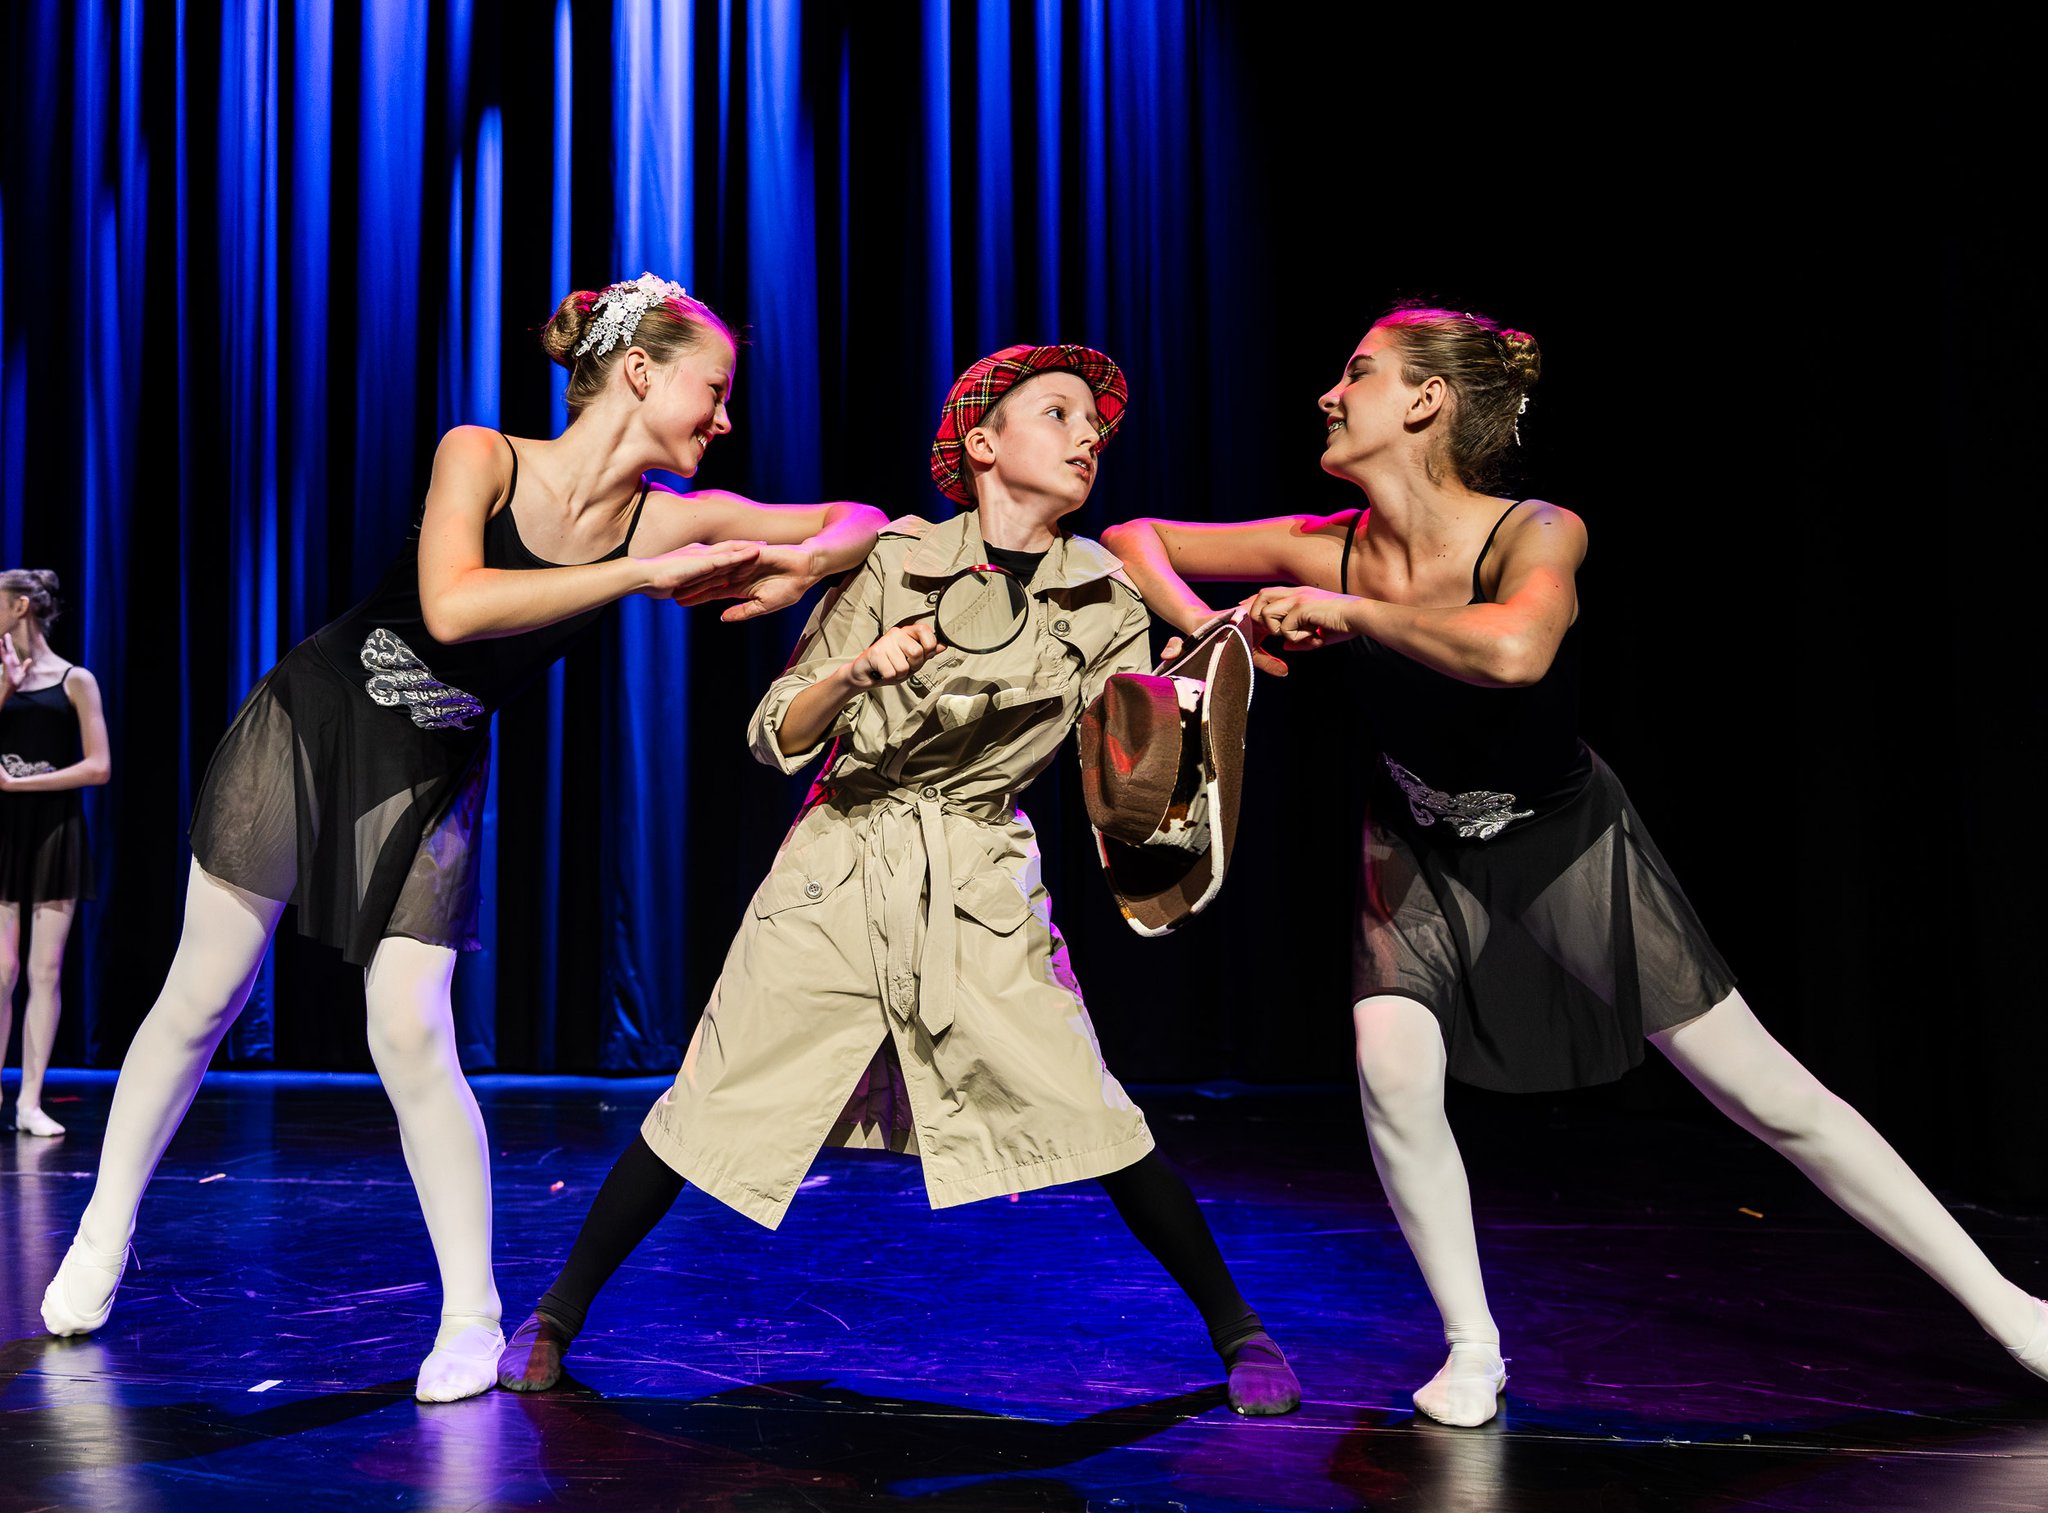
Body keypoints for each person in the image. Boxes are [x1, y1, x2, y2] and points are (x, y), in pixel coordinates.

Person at [1102, 302, 2048, 1426]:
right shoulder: (1326, 541)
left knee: (1763, 1092)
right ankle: (1472, 1347)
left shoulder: (1534, 530)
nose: (1328, 393)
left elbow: (1513, 649)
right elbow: (1134, 535)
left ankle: (2009, 1308)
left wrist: (1347, 614)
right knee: (1391, 1070)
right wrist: (1218, 635)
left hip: (1559, 839)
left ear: (1425, 400)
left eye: (1357, 373)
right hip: (1415, 839)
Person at [38, 275, 889, 1404]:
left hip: (436, 765)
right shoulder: (481, 454)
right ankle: (102, 1230)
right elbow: (452, 606)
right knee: (204, 993)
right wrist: (642, 576)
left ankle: (470, 1315)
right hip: (317, 722)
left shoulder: (670, 515)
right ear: (641, 373)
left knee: (410, 1027)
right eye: (714, 389)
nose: (725, 418)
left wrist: (800, 565)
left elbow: (867, 519)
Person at [495, 344, 1301, 1416]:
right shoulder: (891, 559)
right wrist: (851, 672)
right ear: (982, 445)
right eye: (1058, 413)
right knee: (709, 1098)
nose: (1087, 436)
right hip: (837, 867)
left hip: (978, 881)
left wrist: (1186, 706)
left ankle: (1239, 1329)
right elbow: (773, 731)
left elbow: (1126, 781)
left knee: (1090, 1107)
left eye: (1095, 427)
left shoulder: (1107, 600)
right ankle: (554, 1313)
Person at [0, 570, 111, 1137]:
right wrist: (6, 686)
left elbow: (99, 766)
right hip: (3, 830)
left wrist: (20, 783)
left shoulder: (75, 679)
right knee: (2, 968)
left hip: (53, 830)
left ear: (21, 606)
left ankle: (30, 1101)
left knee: (43, 970)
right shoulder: (1, 676)